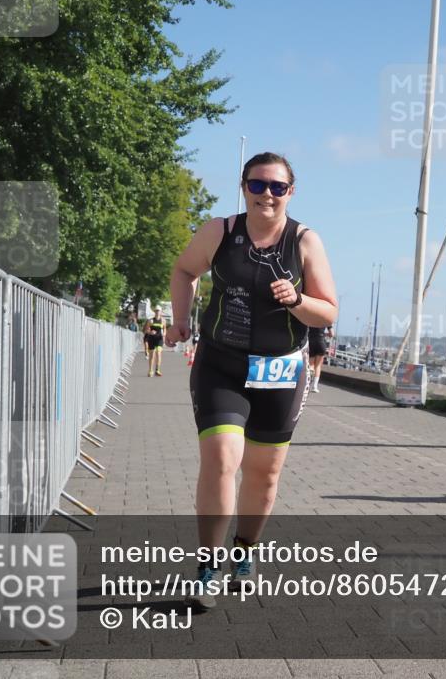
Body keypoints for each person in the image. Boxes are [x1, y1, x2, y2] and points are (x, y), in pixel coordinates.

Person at [166, 152, 337, 611]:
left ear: (290, 192)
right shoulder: (219, 232)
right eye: (257, 185)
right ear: (243, 186)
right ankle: (208, 564)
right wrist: (180, 320)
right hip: (222, 363)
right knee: (222, 458)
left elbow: (328, 309)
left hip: (280, 370)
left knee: (264, 475)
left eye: (277, 187)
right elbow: (184, 271)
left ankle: (244, 552)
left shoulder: (304, 241)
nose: (267, 194)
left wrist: (298, 300)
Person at [307, 325, 332, 393]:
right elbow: (331, 334)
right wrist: (324, 334)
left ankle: (307, 384)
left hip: (311, 341)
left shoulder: (311, 318)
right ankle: (315, 387)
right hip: (321, 341)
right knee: (318, 366)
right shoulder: (326, 320)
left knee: (311, 365)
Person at [143, 307, 165, 377]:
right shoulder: (151, 321)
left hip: (159, 339)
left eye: (158, 311)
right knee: (152, 355)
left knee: (158, 353)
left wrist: (164, 334)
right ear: (154, 312)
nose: (157, 312)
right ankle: (150, 370)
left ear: (161, 312)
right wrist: (150, 332)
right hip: (152, 339)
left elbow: (165, 329)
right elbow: (145, 330)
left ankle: (157, 370)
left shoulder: (163, 321)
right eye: (156, 311)